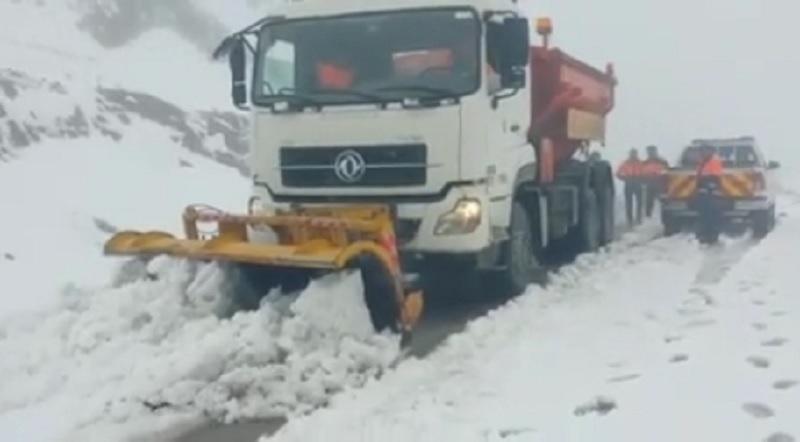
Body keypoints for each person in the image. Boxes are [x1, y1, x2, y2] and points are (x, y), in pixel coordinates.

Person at [693, 144, 724, 243]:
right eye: (701, 151)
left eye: (704, 150)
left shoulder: (714, 161)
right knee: (703, 216)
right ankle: (704, 235)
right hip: (704, 195)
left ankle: (712, 237)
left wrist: (707, 186)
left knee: (712, 216)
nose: (702, 152)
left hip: (712, 195)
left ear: (710, 151)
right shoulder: (702, 161)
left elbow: (714, 177)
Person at [617, 149, 644, 227]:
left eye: (635, 153)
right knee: (629, 203)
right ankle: (630, 220)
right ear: (630, 154)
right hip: (628, 183)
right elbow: (618, 173)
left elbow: (644, 172)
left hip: (638, 182)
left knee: (640, 202)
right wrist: (624, 178)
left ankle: (639, 218)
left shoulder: (640, 163)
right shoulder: (625, 163)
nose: (633, 155)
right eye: (632, 154)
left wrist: (642, 179)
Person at [641, 145, 670, 218]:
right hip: (649, 184)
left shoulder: (663, 162)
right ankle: (648, 217)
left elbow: (668, 172)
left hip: (660, 183)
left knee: (664, 201)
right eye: (649, 152)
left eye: (652, 151)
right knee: (648, 202)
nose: (651, 153)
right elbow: (641, 173)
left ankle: (666, 216)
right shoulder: (644, 163)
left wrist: (666, 183)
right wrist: (643, 182)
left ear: (655, 152)